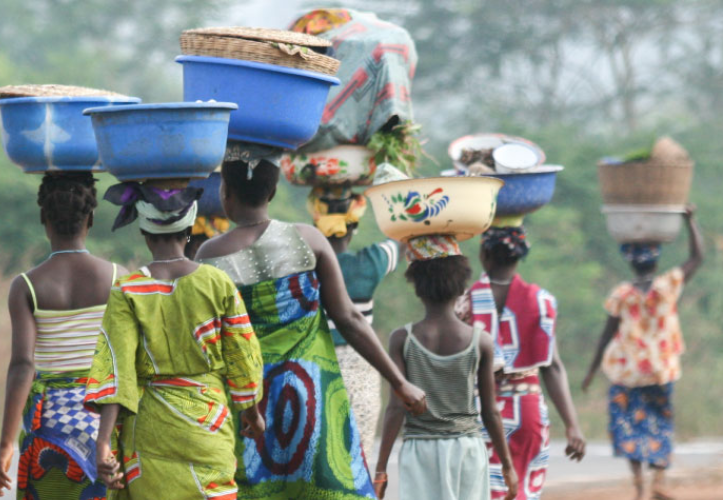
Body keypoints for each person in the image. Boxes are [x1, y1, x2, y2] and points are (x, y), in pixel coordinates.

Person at [196, 160, 427, 500]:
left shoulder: (209, 256)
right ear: (273, 192)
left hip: (247, 405)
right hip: (312, 398)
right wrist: (400, 382)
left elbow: (208, 343)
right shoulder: (307, 239)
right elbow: (349, 318)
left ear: (224, 193)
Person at [85, 181, 266, 499]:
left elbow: (117, 370)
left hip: (151, 433)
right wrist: (252, 414)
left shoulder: (128, 290)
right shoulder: (216, 282)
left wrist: (103, 443)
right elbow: (242, 356)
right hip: (208, 425)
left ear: (144, 232)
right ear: (189, 230)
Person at [0, 173, 114, 499]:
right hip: (105, 427)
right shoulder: (117, 279)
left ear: (43, 217)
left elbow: (22, 366)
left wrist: (5, 445)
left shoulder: (26, 285)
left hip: (50, 431)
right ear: (91, 217)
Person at [374, 236, 517, 500]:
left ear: (416, 286)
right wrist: (507, 466)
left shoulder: (402, 339)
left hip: (420, 452)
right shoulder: (480, 341)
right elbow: (490, 412)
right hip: (467, 451)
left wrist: (381, 469)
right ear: (461, 287)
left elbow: (395, 408)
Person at [582, 207, 704, 500]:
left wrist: (591, 369)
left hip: (628, 372)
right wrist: (690, 221)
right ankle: (659, 480)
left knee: (627, 425)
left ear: (630, 263)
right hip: (661, 369)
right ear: (656, 260)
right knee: (660, 421)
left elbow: (606, 334)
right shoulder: (667, 286)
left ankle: (639, 487)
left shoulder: (622, 294)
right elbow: (697, 258)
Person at [456, 226, 585, 500]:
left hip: (477, 410)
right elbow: (552, 366)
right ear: (520, 256)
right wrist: (572, 424)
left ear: (484, 253)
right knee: (521, 490)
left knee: (480, 490)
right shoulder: (541, 302)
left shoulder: (464, 302)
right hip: (526, 410)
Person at [307, 187, 400, 454]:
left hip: (312, 369)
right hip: (360, 369)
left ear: (316, 223)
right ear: (353, 225)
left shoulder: (301, 266)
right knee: (356, 461)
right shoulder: (369, 263)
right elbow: (401, 240)